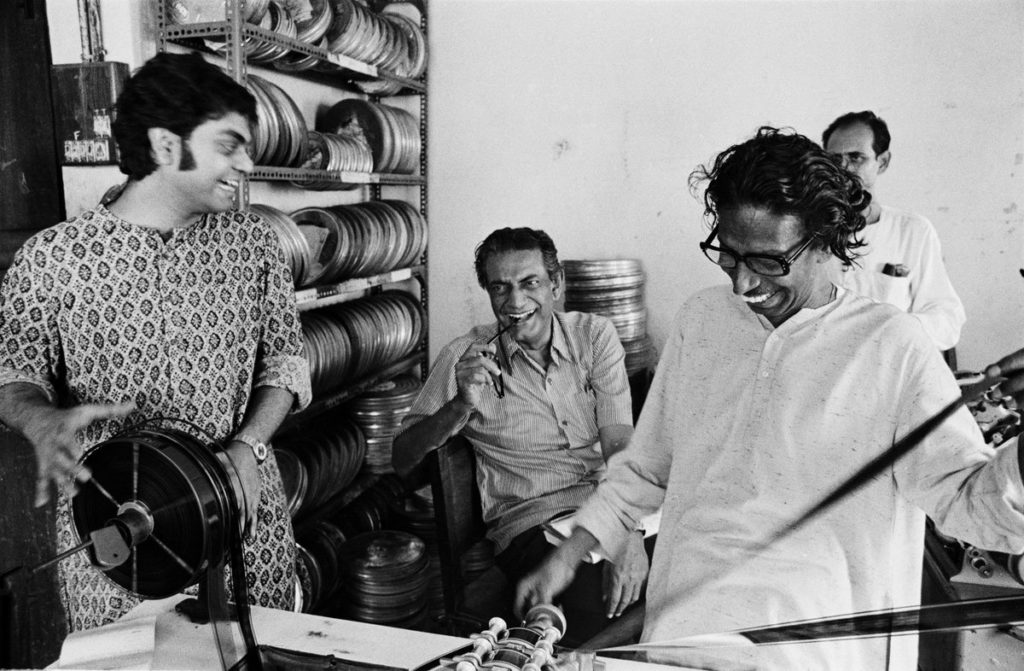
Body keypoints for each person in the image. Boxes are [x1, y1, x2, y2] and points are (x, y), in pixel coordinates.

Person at [515, 127, 1024, 671]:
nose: (742, 284)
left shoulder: (892, 346)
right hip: (681, 639)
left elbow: (972, 505)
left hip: (817, 651)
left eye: (767, 261)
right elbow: (646, 467)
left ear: (827, 241)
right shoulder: (702, 319)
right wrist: (568, 556)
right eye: (728, 255)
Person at [0, 52, 312, 631]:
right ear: (167, 145)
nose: (247, 162)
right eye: (229, 144)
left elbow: (287, 364)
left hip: (242, 519)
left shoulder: (254, 244)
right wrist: (36, 419)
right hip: (116, 541)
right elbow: (12, 375)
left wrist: (249, 447)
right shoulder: (52, 258)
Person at [392, 227, 650, 646]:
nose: (515, 302)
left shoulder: (594, 336)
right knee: (607, 605)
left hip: (608, 508)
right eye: (500, 288)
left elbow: (619, 443)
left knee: (687, 573)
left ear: (556, 284)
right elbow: (402, 460)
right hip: (534, 529)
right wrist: (459, 406)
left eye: (530, 283)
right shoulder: (464, 356)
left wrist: (629, 533)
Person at [822, 110, 965, 352]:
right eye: (835, 160)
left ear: (883, 162)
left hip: (890, 366)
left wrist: (892, 329)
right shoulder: (806, 230)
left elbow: (947, 319)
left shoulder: (913, 231)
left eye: (856, 158)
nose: (844, 170)